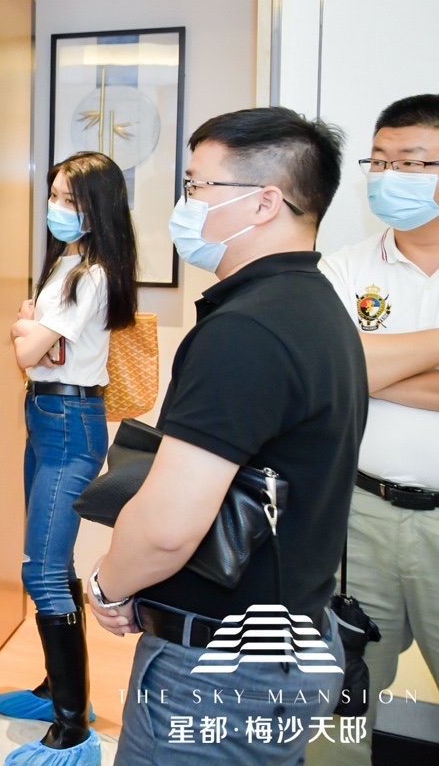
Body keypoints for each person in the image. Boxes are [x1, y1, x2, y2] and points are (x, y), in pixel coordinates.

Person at [88, 107, 365, 766]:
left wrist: (108, 585)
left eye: (196, 185)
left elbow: (167, 528)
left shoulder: (245, 331)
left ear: (264, 202)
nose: (184, 204)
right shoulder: (315, 306)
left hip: (220, 670)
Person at [0, 152, 139, 766]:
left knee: (43, 570)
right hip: (46, 414)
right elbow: (34, 345)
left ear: (98, 207)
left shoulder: (94, 274)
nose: (57, 208)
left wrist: (26, 327)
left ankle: (73, 726)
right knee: (49, 561)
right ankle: (56, 689)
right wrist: (30, 330)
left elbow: (28, 351)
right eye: (53, 195)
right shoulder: (68, 263)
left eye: (70, 200)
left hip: (69, 423)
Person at [312, 94, 439, 766]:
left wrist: (369, 365)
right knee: (338, 695)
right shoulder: (343, 266)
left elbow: (352, 366)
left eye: (412, 162)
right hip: (360, 514)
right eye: (380, 161)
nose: (391, 176)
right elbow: (330, 370)